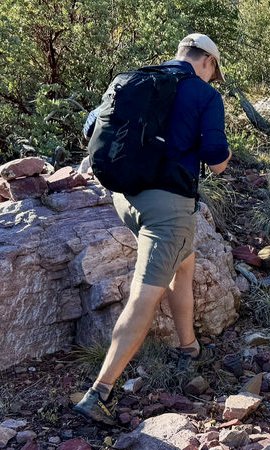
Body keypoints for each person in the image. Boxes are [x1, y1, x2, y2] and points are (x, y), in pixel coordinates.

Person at [74, 33, 233, 424]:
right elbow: (216, 161)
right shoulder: (205, 95)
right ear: (208, 62)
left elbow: (91, 128)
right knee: (145, 296)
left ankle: (189, 349)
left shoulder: (138, 79)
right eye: (213, 72)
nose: (211, 79)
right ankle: (99, 393)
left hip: (125, 197)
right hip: (168, 207)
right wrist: (226, 152)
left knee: (184, 263)